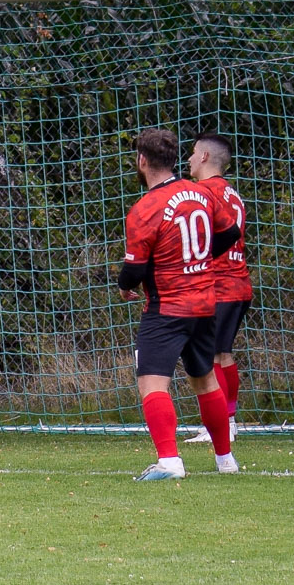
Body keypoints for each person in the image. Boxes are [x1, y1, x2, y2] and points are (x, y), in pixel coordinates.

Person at [120, 128, 241, 480]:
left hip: (168, 308)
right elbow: (231, 232)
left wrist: (125, 286)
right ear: (174, 160)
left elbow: (134, 270)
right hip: (204, 302)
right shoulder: (201, 192)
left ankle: (170, 462)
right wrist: (198, 260)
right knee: (205, 380)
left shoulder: (145, 209)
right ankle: (226, 460)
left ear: (142, 161)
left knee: (152, 383)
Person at [185, 131, 251, 444]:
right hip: (239, 283)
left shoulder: (204, 193)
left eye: (193, 152)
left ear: (205, 156)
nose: (189, 159)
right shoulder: (232, 194)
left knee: (210, 357)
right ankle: (229, 420)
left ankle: (221, 426)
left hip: (220, 285)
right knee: (223, 354)